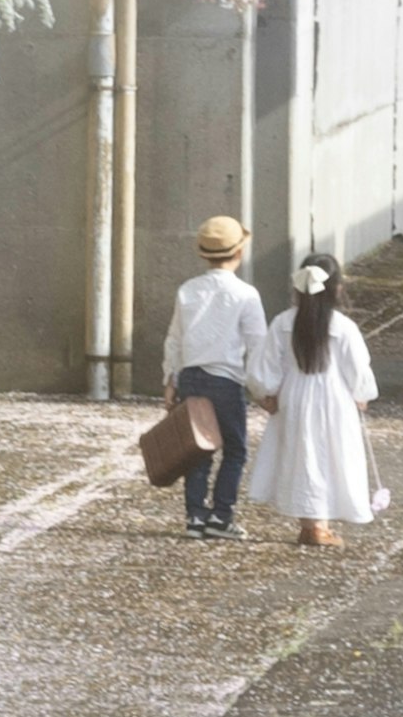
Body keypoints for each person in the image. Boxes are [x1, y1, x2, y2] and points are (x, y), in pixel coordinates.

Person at [246, 254, 382, 546]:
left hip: (294, 394)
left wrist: (264, 393)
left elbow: (264, 365)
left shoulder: (283, 322)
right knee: (330, 455)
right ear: (337, 289)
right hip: (335, 398)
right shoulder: (343, 327)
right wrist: (362, 394)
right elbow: (357, 370)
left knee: (301, 454)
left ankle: (310, 524)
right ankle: (319, 526)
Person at [159, 216, 269, 540]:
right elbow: (258, 344)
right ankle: (221, 516)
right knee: (235, 449)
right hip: (226, 379)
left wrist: (170, 378)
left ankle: (195, 517)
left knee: (197, 449)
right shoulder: (247, 294)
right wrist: (261, 388)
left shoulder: (187, 290)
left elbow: (174, 338)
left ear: (204, 254)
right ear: (239, 253)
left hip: (191, 377)